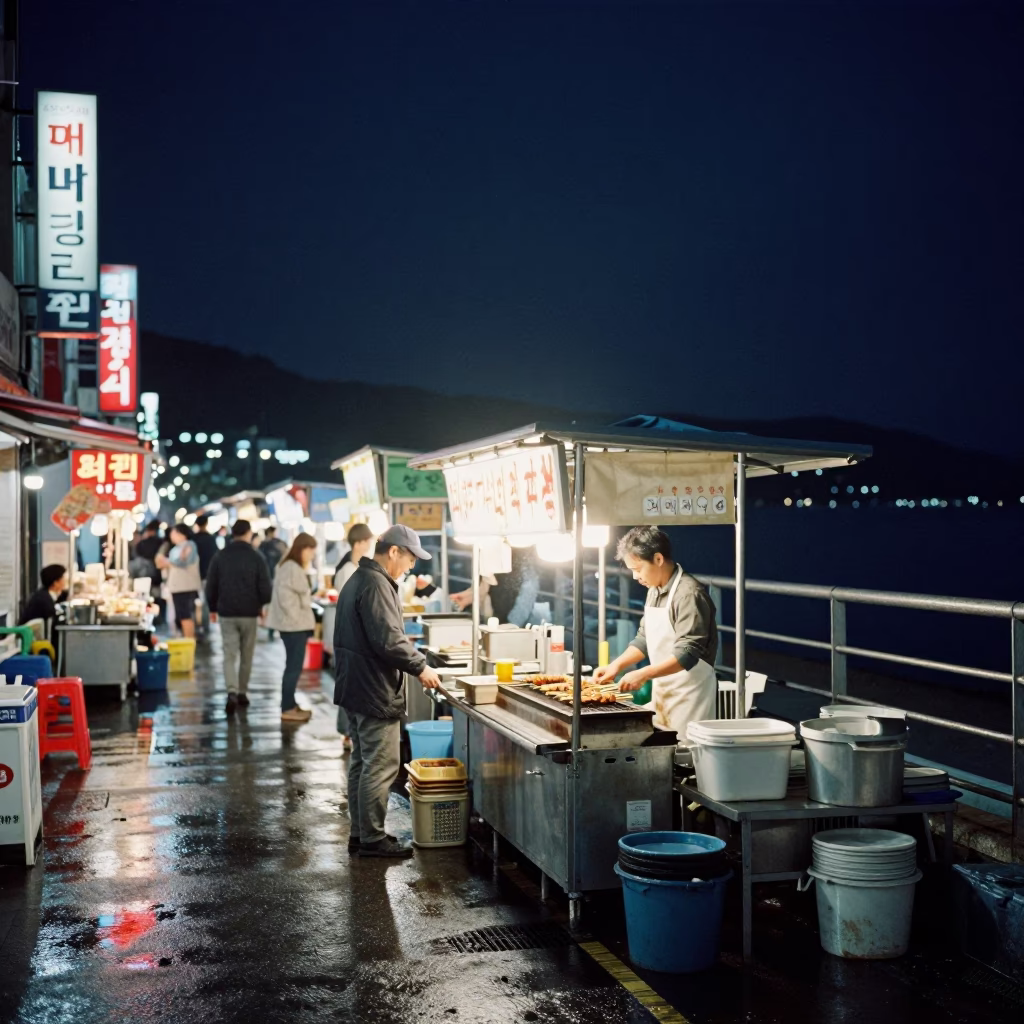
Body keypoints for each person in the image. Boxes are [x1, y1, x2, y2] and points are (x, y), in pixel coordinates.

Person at [334, 524, 441, 858]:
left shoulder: (361, 578)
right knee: (381, 765)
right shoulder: (376, 583)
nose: (411, 566)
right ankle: (372, 839)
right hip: (372, 689)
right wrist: (420, 666)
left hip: (355, 685)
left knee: (362, 763)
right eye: (410, 558)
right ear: (393, 551)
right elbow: (388, 640)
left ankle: (361, 833)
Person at [592, 525, 719, 744]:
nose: (634, 576)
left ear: (658, 559)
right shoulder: (654, 591)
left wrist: (644, 674)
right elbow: (644, 638)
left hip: (690, 697)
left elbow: (687, 654)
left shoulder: (689, 594)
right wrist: (617, 666)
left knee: (685, 760)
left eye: (638, 569)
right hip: (663, 695)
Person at [205, 519, 273, 715]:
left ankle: (231, 691)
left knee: (229, 654)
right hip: (250, 613)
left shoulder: (220, 556)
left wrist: (212, 608)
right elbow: (265, 586)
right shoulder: (256, 556)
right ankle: (243, 692)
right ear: (248, 533)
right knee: (247, 654)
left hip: (226, 612)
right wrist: (262, 605)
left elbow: (211, 585)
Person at [265, 532, 318, 723]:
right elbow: (286, 600)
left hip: (294, 625)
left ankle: (291, 703)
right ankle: (287, 707)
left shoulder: (288, 566)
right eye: (311, 550)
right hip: (294, 626)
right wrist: (297, 619)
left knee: (293, 666)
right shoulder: (291, 568)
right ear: (302, 549)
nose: (312, 555)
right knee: (293, 667)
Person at [451, 546, 540, 626]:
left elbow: (525, 601)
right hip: (487, 621)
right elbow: (483, 587)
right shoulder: (487, 558)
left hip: (508, 625)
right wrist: (472, 595)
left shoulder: (522, 566)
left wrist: (510, 627)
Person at [157, 524, 202, 639]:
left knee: (185, 615)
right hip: (176, 587)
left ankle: (190, 640)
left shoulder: (190, 545)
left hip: (185, 586)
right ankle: (185, 639)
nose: (172, 536)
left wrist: (168, 562)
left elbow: (185, 562)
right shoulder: (176, 548)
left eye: (173, 533)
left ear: (181, 534)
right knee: (180, 615)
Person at [192, 515, 219, 636]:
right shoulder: (210, 539)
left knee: (195, 601)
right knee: (205, 601)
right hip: (208, 575)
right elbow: (215, 556)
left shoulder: (193, 539)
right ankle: (205, 625)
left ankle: (197, 625)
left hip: (194, 574)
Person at [19, 564, 68, 629]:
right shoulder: (43, 599)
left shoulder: (44, 594)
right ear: (55, 582)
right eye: (63, 578)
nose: (65, 581)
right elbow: (53, 623)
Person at [333, 523, 375, 593]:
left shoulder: (358, 567)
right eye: (366, 541)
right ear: (356, 544)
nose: (369, 544)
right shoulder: (349, 570)